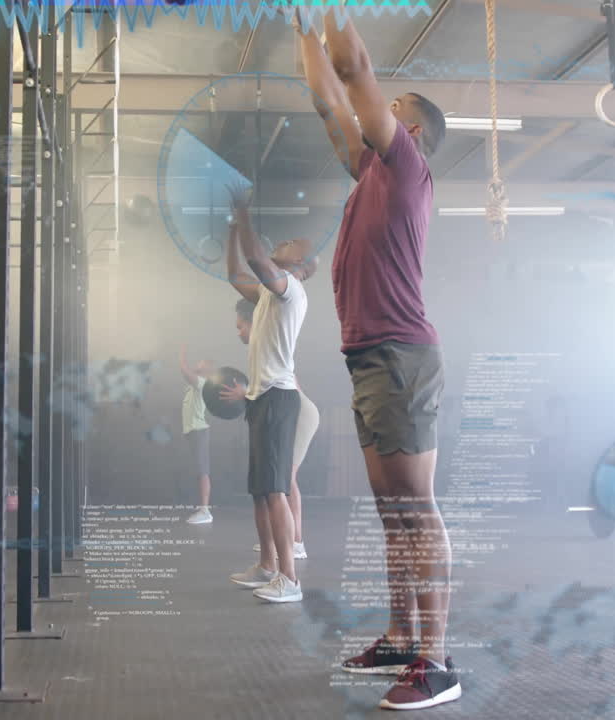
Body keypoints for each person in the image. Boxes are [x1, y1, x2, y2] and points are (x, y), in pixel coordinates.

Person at [294, 7, 460, 710]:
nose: (380, 110)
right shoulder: (368, 172)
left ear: (411, 132)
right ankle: (399, 636)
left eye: (394, 110)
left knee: (415, 510)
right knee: (392, 512)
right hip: (369, 357)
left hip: (400, 356)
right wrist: (303, 23)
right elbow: (328, 95)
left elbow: (355, 70)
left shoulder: (407, 167)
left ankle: (437, 660)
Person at [218, 183, 316, 604]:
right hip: (260, 400)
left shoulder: (291, 290)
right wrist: (230, 229)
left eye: (292, 243)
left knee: (276, 490)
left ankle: (290, 581)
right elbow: (235, 274)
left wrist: (243, 212)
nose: (284, 241)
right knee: (261, 490)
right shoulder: (265, 296)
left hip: (279, 399)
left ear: (300, 265)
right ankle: (267, 567)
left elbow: (257, 259)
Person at [235, 298, 317, 560]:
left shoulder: (269, 344)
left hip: (301, 414)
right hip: (292, 411)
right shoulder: (260, 350)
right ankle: (282, 541)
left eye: (240, 327)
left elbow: (286, 386)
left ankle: (296, 542)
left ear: (253, 322)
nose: (239, 333)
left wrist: (244, 393)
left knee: (285, 479)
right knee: (280, 481)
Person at [178, 347, 214, 524]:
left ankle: (205, 511)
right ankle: (203, 507)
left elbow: (185, 371)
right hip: (193, 432)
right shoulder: (196, 383)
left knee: (203, 471)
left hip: (199, 431)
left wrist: (182, 353)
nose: (198, 363)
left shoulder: (203, 382)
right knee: (199, 471)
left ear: (207, 369)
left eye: (202, 362)